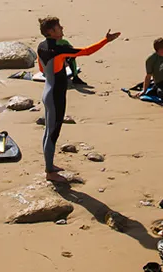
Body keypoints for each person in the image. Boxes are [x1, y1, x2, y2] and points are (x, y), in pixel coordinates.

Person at [37, 16, 120, 183]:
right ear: (51, 32)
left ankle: (50, 166)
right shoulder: (58, 50)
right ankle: (49, 171)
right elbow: (86, 51)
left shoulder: (41, 46)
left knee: (48, 131)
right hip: (56, 96)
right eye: (58, 27)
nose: (62, 28)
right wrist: (106, 40)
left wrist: (56, 69)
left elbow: (41, 68)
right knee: (53, 133)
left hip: (47, 91)